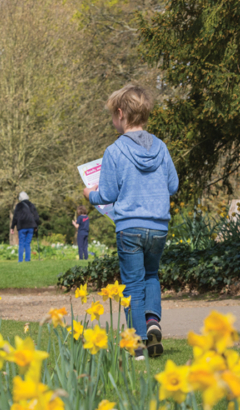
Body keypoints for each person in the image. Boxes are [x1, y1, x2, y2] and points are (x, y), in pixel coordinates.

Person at [84, 84, 179, 360]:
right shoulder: (160, 147)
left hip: (129, 228)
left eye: (113, 115)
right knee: (151, 275)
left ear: (121, 113)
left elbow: (109, 194)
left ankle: (138, 346)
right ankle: (152, 323)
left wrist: (91, 194)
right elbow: (172, 185)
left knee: (132, 286)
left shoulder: (114, 151)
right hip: (159, 227)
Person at [10, 192, 40, 262]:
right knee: (27, 243)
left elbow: (15, 217)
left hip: (22, 226)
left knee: (21, 243)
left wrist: (12, 227)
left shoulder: (18, 206)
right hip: (31, 226)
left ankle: (20, 260)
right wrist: (36, 225)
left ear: (20, 198)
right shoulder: (31, 205)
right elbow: (36, 216)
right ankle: (27, 259)